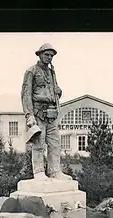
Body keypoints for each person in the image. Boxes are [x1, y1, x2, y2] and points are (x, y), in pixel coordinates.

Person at [21, 43, 72, 181]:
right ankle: (38, 172)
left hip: (52, 113)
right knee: (39, 143)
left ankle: (55, 171)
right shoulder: (31, 71)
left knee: (55, 143)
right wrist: (29, 115)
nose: (49, 57)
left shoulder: (51, 72)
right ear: (40, 54)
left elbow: (52, 91)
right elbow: (26, 95)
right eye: (47, 54)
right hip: (38, 112)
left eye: (51, 55)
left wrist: (58, 92)